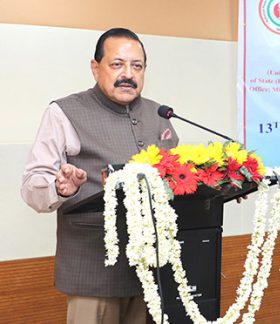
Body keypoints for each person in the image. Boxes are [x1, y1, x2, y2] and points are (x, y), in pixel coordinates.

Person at [21, 28, 179, 323]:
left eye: (137, 66)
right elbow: (32, 185)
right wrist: (59, 188)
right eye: (117, 64)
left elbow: (175, 183)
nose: (128, 74)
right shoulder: (64, 112)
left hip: (152, 273)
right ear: (96, 68)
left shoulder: (160, 115)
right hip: (93, 274)